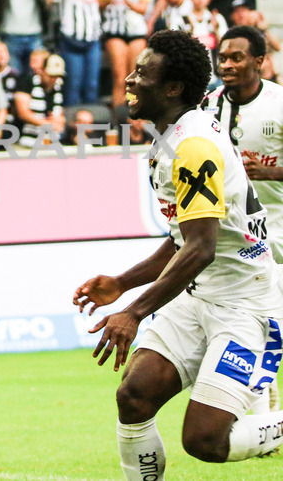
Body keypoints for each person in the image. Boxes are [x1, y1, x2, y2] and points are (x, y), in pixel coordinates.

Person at [72, 29, 283, 479]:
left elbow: (202, 247)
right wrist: (123, 282)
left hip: (244, 306)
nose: (128, 79)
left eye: (141, 73)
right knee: (134, 396)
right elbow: (184, 236)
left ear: (172, 88)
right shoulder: (174, 136)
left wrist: (134, 310)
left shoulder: (192, 147)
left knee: (205, 441)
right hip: (197, 295)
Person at [202, 26, 283, 265]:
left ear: (258, 62)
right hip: (227, 229)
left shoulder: (278, 103)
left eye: (236, 58)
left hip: (277, 225)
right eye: (223, 58)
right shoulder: (207, 104)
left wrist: (273, 172)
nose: (226, 65)